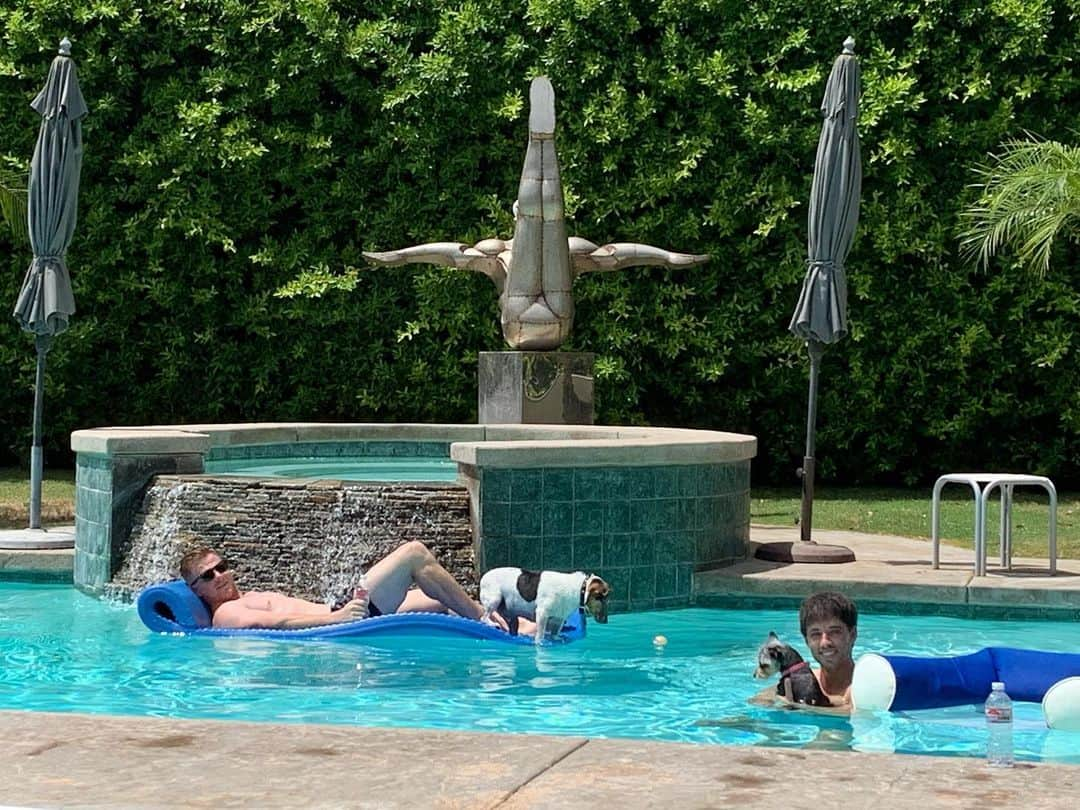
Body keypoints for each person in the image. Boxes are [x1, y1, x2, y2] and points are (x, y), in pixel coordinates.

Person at [179, 540, 521, 632]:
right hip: (345, 619)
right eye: (208, 576)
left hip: (344, 611)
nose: (219, 576)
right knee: (414, 554)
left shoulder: (248, 595)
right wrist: (335, 619)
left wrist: (338, 613)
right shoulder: (226, 612)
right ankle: (481, 617)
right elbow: (265, 625)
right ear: (196, 590)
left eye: (221, 567)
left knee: (441, 602)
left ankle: (523, 628)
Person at [751, 591, 858, 711]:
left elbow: (857, 715)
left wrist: (801, 708)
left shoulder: (866, 685)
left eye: (834, 632)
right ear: (806, 641)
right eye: (815, 634)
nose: (825, 642)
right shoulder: (803, 679)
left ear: (852, 635)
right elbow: (756, 703)